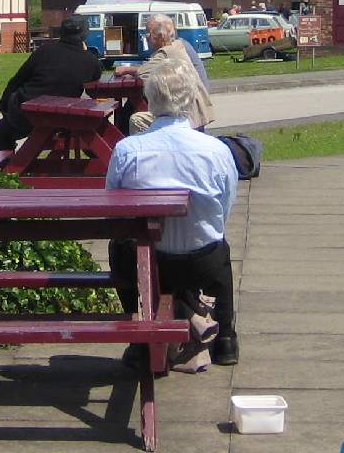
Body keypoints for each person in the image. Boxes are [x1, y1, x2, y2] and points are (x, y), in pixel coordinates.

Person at [104, 57, 258, 368]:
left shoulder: (127, 150)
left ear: (149, 98)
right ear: (191, 99)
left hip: (145, 263)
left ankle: (138, 337)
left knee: (118, 246)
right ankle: (226, 338)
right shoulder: (216, 151)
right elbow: (223, 210)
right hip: (201, 262)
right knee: (221, 248)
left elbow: (113, 210)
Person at [0, 14, 102, 151]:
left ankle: (0, 168)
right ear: (84, 35)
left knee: (1, 131)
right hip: (62, 118)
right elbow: (93, 88)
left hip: (26, 115)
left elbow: (16, 81)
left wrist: (4, 107)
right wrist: (85, 52)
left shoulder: (44, 51)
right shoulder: (91, 61)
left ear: (62, 33)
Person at [128, 15, 215, 133]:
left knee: (136, 119)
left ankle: (149, 148)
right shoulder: (179, 45)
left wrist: (125, 69)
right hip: (195, 110)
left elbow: (142, 73)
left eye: (149, 34)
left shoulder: (166, 52)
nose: (147, 38)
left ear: (159, 37)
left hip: (186, 114)